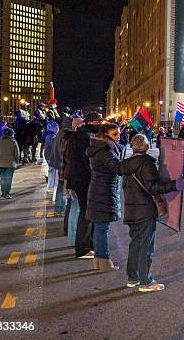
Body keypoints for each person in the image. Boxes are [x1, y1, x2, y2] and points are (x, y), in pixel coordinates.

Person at [120, 134, 184, 291]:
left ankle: (133, 277)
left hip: (131, 210)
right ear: (145, 146)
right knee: (145, 246)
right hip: (144, 210)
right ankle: (146, 281)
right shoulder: (146, 164)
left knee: (135, 244)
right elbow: (153, 187)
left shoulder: (126, 164)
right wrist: (175, 185)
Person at [64, 112, 103, 259]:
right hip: (83, 181)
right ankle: (83, 249)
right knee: (86, 214)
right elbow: (88, 162)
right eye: (98, 122)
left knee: (85, 213)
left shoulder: (80, 135)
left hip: (78, 179)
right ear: (92, 123)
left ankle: (87, 245)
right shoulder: (85, 138)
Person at [86, 122, 124, 272]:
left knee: (100, 227)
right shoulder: (104, 150)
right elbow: (118, 168)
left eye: (119, 133)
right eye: (115, 134)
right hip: (103, 191)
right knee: (102, 227)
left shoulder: (102, 148)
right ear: (105, 135)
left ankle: (99, 260)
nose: (119, 136)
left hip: (100, 189)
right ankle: (103, 260)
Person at [0, 128, 20, 199]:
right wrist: (17, 161)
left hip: (1, 163)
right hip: (10, 164)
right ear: (11, 134)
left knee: (3, 178)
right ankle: (7, 193)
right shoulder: (13, 142)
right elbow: (17, 153)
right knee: (8, 179)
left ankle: (3, 192)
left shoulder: (0, 142)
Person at [43, 120, 60, 191]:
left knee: (51, 171)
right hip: (51, 156)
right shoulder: (52, 136)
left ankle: (50, 186)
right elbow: (54, 146)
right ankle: (51, 186)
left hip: (48, 155)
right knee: (52, 171)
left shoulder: (48, 135)